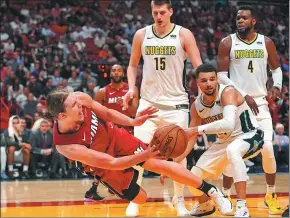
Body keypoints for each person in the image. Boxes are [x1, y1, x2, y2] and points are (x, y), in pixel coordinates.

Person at [46, 89, 233, 217]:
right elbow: (111, 163)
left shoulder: (80, 98)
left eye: (78, 102)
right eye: (75, 106)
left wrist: (133, 122)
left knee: (159, 163)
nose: (80, 105)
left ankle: (212, 191)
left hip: (116, 137)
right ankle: (120, 184)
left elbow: (108, 114)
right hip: (103, 164)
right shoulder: (66, 146)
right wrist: (144, 155)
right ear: (62, 116)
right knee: (141, 197)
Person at [122, 0, 202, 215]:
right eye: (155, 12)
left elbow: (199, 67)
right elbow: (132, 65)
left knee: (179, 156)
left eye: (162, 12)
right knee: (138, 151)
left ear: (170, 12)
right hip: (148, 104)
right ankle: (136, 199)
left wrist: (204, 93)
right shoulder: (141, 35)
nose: (158, 16)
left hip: (176, 104)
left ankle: (179, 199)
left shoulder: (184, 35)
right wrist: (131, 89)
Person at [166, 63, 263, 217]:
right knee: (193, 176)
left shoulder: (228, 92)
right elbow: (191, 139)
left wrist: (196, 130)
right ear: (198, 83)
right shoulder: (196, 106)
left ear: (217, 79)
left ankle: (242, 207)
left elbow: (228, 123)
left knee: (234, 150)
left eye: (212, 79)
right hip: (224, 142)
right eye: (204, 80)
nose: (209, 83)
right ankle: (205, 205)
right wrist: (174, 162)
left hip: (250, 135)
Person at [217, 5, 283, 215]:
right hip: (236, 103)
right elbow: (221, 75)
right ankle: (226, 194)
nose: (240, 21)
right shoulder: (227, 43)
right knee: (232, 152)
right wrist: (241, 93)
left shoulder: (267, 42)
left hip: (260, 103)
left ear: (254, 21)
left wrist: (277, 86)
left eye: (244, 18)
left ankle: (270, 194)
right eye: (238, 18)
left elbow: (276, 69)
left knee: (268, 149)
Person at [84, 64, 139, 201]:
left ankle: (120, 186)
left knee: (128, 160)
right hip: (109, 131)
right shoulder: (102, 92)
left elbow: (135, 113)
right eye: (113, 70)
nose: (116, 72)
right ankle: (94, 188)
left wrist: (124, 106)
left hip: (128, 129)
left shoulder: (131, 90)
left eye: (119, 70)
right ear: (110, 74)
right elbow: (94, 113)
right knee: (103, 161)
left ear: (123, 73)